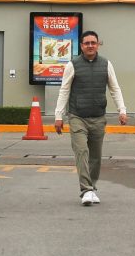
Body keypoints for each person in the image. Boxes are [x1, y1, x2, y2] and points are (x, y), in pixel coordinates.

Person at [53, 30, 128, 206]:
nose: (90, 46)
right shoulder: (73, 65)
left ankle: (92, 187)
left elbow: (114, 88)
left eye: (93, 43)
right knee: (81, 152)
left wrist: (122, 110)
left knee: (96, 156)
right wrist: (58, 115)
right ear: (81, 46)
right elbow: (64, 90)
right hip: (77, 116)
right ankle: (86, 189)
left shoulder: (106, 64)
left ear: (98, 44)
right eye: (86, 43)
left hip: (98, 117)